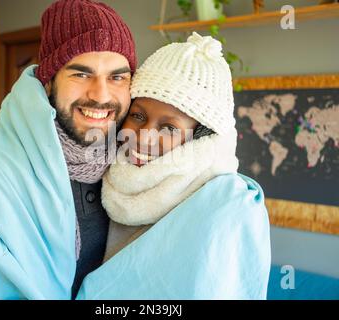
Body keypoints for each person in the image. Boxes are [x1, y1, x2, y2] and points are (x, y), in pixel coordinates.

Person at [0, 0, 136, 299]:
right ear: (48, 81)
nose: (101, 95)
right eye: (81, 74)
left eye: (117, 77)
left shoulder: (135, 159)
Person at [75, 33, 271, 299]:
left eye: (168, 128)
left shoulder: (229, 205)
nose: (143, 136)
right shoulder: (104, 175)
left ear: (201, 137)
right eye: (138, 115)